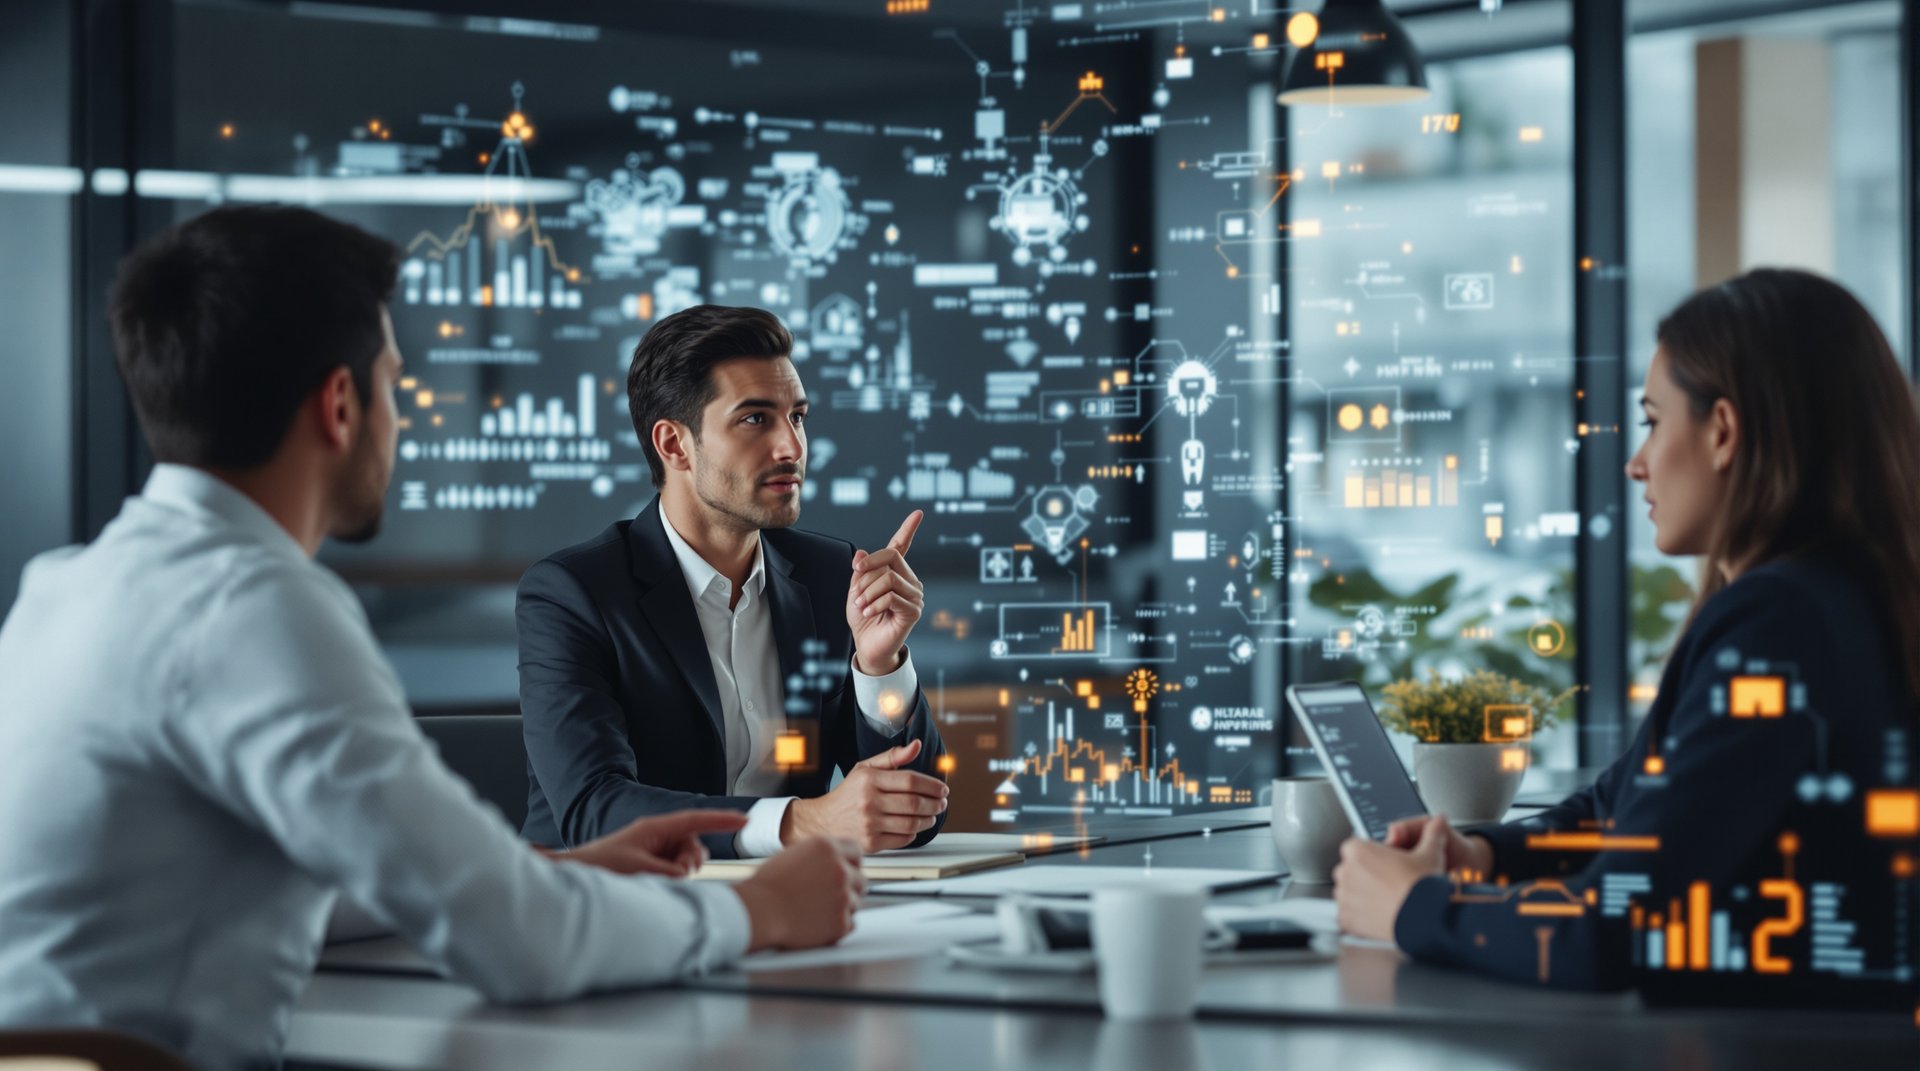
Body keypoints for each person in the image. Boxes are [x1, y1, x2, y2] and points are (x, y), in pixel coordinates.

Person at [0, 206, 864, 1070]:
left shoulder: (65, 589)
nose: (401, 422)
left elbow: (305, 886)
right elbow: (520, 945)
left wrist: (554, 873)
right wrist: (760, 911)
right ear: (340, 405)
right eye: (394, 384)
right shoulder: (257, 607)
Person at [1334, 269, 1920, 1005]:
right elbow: (1625, 807)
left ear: (1723, 432)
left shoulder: (1781, 621)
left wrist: (1412, 909)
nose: (1636, 461)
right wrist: (1482, 854)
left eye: (1651, 419)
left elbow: (1619, 930)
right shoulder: (1837, 599)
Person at [518, 305, 950, 859]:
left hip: (792, 913)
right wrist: (802, 822)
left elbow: (919, 814)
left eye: (797, 417)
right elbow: (594, 811)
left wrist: (879, 668)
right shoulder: (572, 594)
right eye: (755, 419)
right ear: (674, 445)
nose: (792, 447)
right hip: (614, 916)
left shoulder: (827, 576)